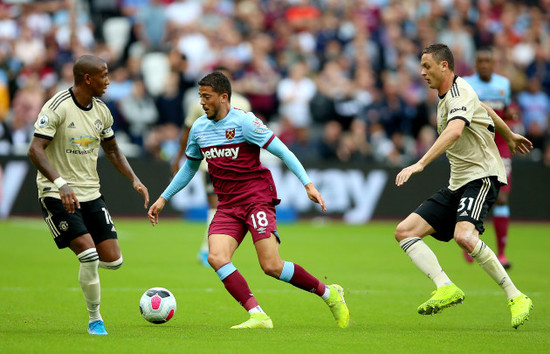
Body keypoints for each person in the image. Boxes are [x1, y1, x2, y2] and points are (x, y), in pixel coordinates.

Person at [149, 71, 349, 329]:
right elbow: (189, 167)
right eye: (200, 96)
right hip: (228, 205)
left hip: (256, 200)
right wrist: (164, 197)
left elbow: (283, 151)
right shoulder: (199, 128)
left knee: (271, 265)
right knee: (216, 257)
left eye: (206, 96)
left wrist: (308, 184)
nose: (202, 102)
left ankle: (329, 293)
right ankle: (258, 315)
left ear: (223, 97)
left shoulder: (245, 123)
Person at [394, 44, 533, 329]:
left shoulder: (459, 92)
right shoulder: (452, 95)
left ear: (444, 66)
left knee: (465, 237)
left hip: (482, 176)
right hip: (458, 182)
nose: (422, 72)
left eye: (427, 66)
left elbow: (455, 130)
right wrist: (508, 134)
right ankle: (445, 286)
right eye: (421, 67)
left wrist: (420, 163)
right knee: (405, 232)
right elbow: (484, 108)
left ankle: (516, 296)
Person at [27, 55, 150, 335]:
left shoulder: (103, 111)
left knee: (113, 261)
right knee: (90, 257)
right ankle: (95, 319)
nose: (108, 81)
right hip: (57, 193)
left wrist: (134, 179)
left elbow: (113, 150)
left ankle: (84, 244)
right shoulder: (57, 107)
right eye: (104, 76)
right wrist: (60, 183)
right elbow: (35, 149)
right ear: (87, 78)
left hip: (91, 193)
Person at [170, 67, 251, 267]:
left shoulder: (241, 104)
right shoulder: (204, 103)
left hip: (227, 164)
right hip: (213, 163)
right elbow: (189, 133)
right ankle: (210, 250)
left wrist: (177, 158)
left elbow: (250, 133)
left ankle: (211, 249)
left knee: (220, 208)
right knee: (217, 206)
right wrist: (180, 158)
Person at [463, 48, 518, 268]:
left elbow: (505, 113)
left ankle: (502, 254)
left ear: (493, 63)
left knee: (502, 198)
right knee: (474, 194)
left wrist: (511, 115)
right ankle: (469, 241)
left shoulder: (503, 84)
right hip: (476, 145)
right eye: (481, 61)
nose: (484, 64)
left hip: (500, 146)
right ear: (476, 63)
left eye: (488, 60)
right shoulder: (467, 84)